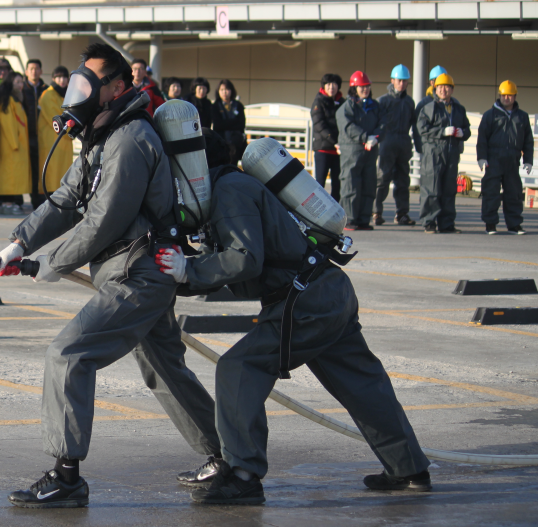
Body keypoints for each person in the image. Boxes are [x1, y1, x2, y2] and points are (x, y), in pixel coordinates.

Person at [0, 44, 222, 509]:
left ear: (117, 88)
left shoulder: (131, 139)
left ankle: (67, 476)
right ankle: (232, 457)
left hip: (139, 275)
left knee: (69, 352)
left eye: (92, 80)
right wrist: (19, 242)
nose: (80, 88)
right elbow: (66, 198)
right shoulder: (103, 136)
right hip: (131, 271)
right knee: (165, 371)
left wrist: (50, 264)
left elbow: (104, 220)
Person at [154, 145, 432, 506]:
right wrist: (187, 274)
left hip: (304, 302)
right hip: (327, 290)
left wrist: (188, 270)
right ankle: (409, 470)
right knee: (364, 384)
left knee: (238, 368)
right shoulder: (235, 187)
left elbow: (245, 260)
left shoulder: (229, 191)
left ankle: (243, 475)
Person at [478, 81, 533, 235]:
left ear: (515, 96)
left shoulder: (522, 117)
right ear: (500, 95)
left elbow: (528, 141)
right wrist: (482, 158)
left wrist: (528, 160)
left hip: (512, 161)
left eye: (510, 95)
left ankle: (514, 225)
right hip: (493, 160)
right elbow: (482, 138)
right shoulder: (490, 115)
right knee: (491, 193)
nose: (506, 98)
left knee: (514, 194)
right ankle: (490, 224)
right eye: (504, 95)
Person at [417, 72, 470, 234]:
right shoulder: (428, 108)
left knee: (449, 190)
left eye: (446, 87)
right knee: (431, 189)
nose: (443, 90)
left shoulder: (459, 109)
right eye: (440, 87)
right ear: (435, 89)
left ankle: (447, 224)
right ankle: (429, 222)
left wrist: (463, 133)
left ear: (452, 89)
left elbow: (467, 129)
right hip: (433, 154)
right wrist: (442, 131)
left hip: (451, 154)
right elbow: (422, 129)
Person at [337, 71, 382, 231]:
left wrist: (376, 136)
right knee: (351, 185)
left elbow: (382, 123)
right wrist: (365, 137)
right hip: (352, 151)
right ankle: (349, 219)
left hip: (370, 153)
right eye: (361, 87)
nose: (365, 90)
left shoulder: (375, 106)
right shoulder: (347, 107)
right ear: (354, 88)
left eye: (367, 86)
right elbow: (348, 126)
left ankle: (364, 219)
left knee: (368, 185)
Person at [374, 65, 417, 226]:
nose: (402, 84)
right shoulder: (383, 101)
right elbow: (375, 122)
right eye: (399, 80)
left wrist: (417, 145)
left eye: (405, 81)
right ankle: (376, 211)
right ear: (392, 81)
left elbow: (415, 125)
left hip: (404, 144)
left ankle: (402, 214)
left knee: (403, 180)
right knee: (382, 178)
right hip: (386, 144)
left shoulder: (409, 102)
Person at [0, 71, 30, 215]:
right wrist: (14, 143)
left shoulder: (16, 99)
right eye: (17, 82)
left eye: (21, 82)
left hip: (18, 144)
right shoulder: (7, 100)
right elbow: (8, 124)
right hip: (11, 144)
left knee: (15, 174)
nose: (20, 85)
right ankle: (7, 203)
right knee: (9, 174)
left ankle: (13, 201)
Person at [37, 66, 72, 197]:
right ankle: (49, 196)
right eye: (58, 77)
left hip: (63, 138)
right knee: (51, 170)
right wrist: (71, 131)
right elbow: (55, 118)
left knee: (60, 171)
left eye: (64, 77)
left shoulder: (64, 94)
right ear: (53, 78)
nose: (62, 80)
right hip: (52, 138)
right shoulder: (48, 94)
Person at [310, 73, 343, 202]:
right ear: (324, 86)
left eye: (334, 84)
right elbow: (319, 124)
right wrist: (334, 141)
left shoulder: (342, 102)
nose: (331, 87)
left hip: (338, 150)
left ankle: (335, 211)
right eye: (328, 84)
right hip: (323, 149)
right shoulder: (318, 101)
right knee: (320, 184)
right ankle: (317, 212)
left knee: (337, 183)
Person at [21, 59, 48, 209]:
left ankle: (39, 198)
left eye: (37, 68)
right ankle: (30, 197)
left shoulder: (47, 90)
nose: (34, 71)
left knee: (41, 167)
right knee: (28, 168)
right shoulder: (21, 89)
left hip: (43, 136)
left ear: (41, 71)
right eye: (31, 69)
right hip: (26, 135)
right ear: (26, 72)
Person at [212, 79, 247, 164]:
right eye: (222, 90)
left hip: (236, 143)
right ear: (218, 91)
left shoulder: (238, 105)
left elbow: (241, 124)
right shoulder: (215, 106)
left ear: (232, 90)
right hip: (221, 142)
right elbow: (217, 125)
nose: (224, 92)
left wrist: (225, 123)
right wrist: (234, 121)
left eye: (227, 89)